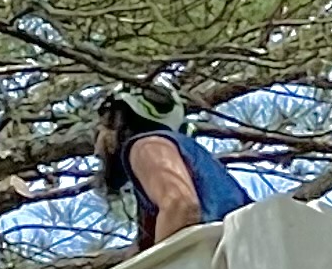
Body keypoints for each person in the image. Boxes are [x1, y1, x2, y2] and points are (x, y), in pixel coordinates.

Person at [95, 85, 249, 247]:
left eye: (99, 131)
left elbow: (180, 205)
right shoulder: (180, 149)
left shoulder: (147, 146)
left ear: (117, 119)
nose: (96, 150)